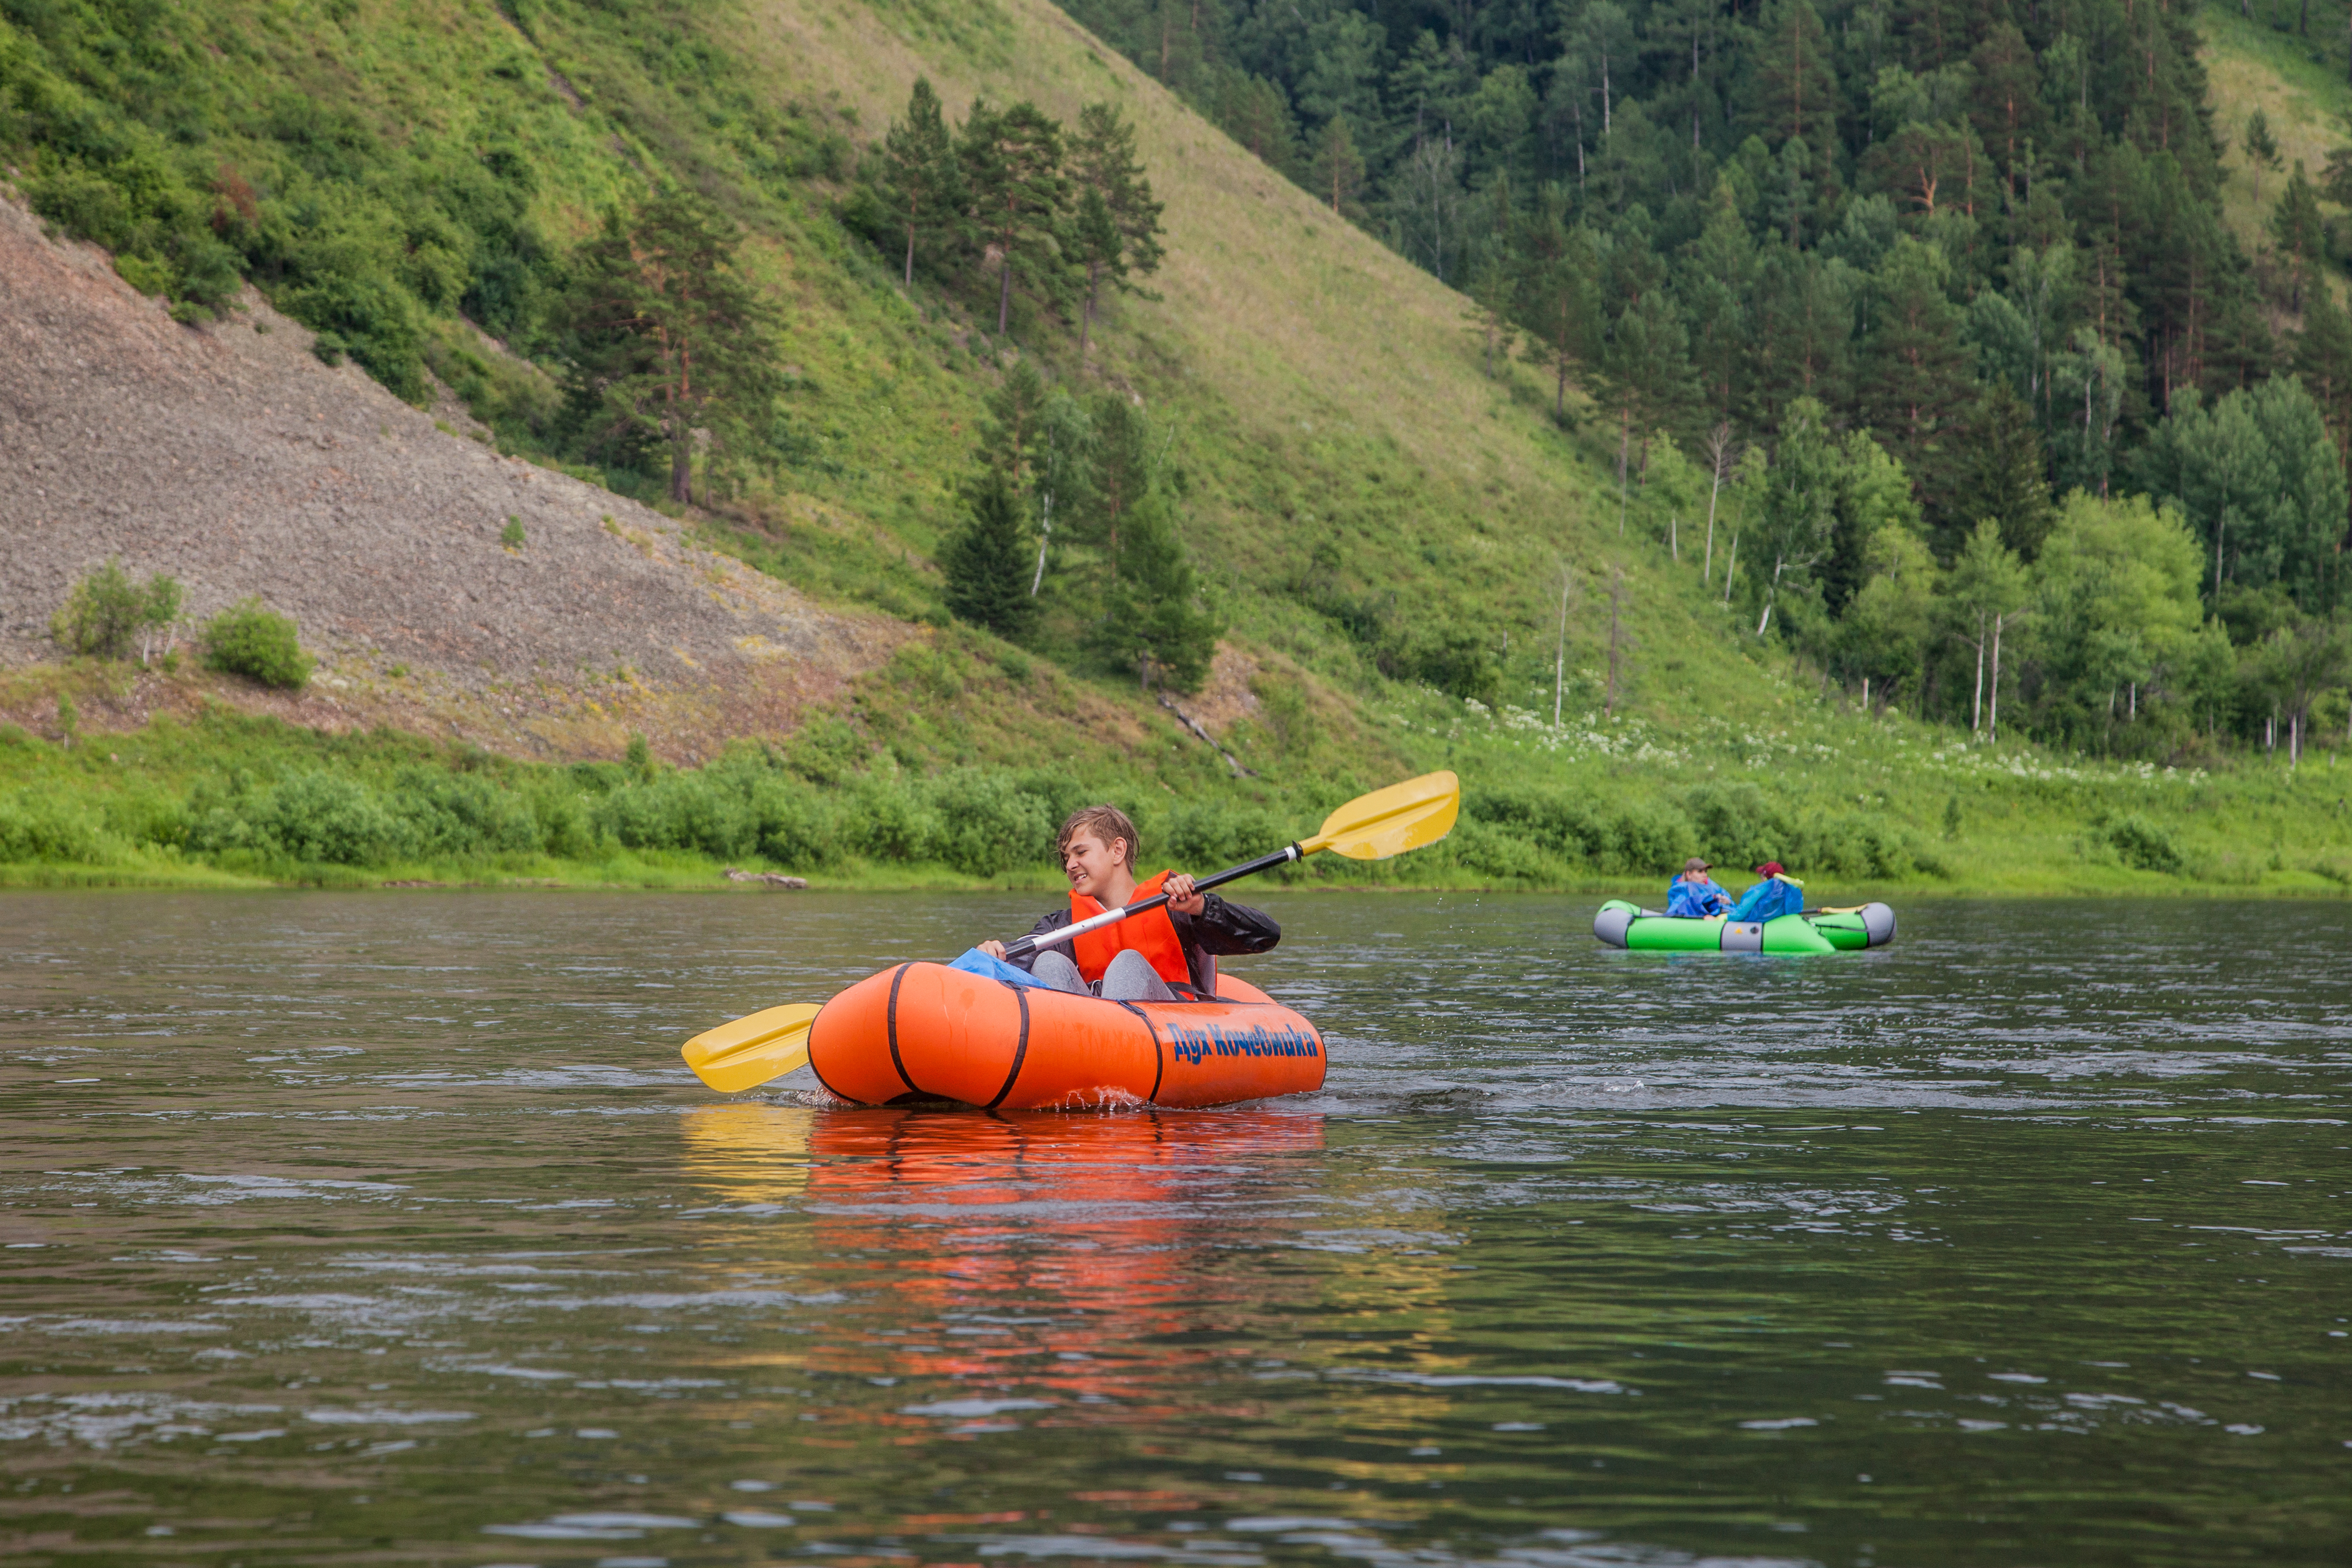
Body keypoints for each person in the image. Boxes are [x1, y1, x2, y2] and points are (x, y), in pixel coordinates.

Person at [977, 804, 1281, 1001]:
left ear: (1117, 851)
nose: (1070, 865)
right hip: (1087, 1034)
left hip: (1170, 1031)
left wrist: (1201, 909)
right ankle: (1065, 1059)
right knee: (1048, 961)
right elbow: (1023, 955)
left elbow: (1266, 935)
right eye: (1066, 857)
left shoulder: (1175, 904)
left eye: (1081, 853)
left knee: (1128, 963)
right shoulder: (1062, 926)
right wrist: (993, 956)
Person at [1724, 860, 1806, 922]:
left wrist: (1726, 918)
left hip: (1757, 927)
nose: (1761, 879)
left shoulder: (1766, 887)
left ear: (1766, 878)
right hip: (1782, 927)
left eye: (1762, 876)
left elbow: (1741, 912)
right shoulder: (1790, 890)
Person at [1666, 856, 1732, 918]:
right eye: (1700, 872)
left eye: (1706, 872)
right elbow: (1674, 912)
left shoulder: (1712, 886)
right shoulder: (1682, 890)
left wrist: (1728, 902)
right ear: (1689, 874)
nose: (1705, 875)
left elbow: (1732, 904)